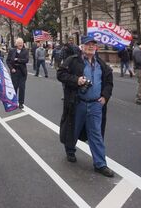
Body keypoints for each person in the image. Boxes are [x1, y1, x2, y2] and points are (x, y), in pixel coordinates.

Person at [57, 35, 115, 178]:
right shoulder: (73, 61)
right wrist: (76, 80)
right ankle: (70, 150)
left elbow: (108, 82)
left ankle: (100, 164)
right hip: (78, 103)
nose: (91, 46)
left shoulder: (101, 64)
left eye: (93, 44)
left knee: (95, 134)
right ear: (82, 47)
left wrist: (105, 97)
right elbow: (60, 74)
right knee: (73, 129)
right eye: (88, 44)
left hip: (96, 105)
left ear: (96, 47)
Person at [6, 38, 29, 109]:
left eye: (21, 43)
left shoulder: (25, 51)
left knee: (22, 88)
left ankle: (21, 103)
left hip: (22, 73)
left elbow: (26, 60)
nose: (20, 44)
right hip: (14, 72)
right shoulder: (12, 51)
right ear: (16, 44)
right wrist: (11, 68)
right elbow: (8, 61)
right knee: (14, 87)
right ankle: (14, 102)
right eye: (19, 43)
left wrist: (17, 60)